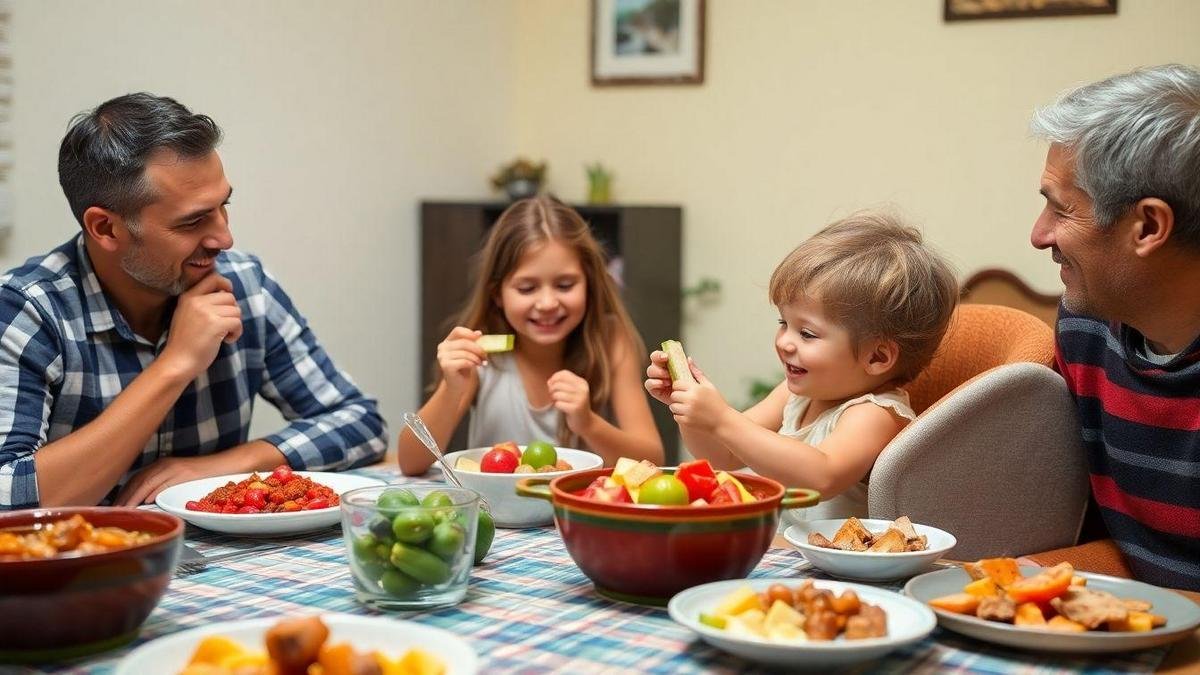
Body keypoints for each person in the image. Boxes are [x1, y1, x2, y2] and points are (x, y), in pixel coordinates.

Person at [0, 93, 387, 510]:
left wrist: (226, 466)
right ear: (106, 228)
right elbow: (7, 494)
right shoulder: (29, 311)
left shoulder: (245, 285)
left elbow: (361, 423)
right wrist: (174, 365)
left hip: (218, 567)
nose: (224, 238)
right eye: (192, 221)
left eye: (224, 206)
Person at [645, 212, 958, 521]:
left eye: (807, 333)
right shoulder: (795, 395)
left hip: (837, 570)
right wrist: (690, 409)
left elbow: (822, 476)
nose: (784, 342)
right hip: (787, 556)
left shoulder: (875, 414)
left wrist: (721, 419)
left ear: (877, 357)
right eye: (784, 322)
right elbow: (722, 455)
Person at [1028, 64, 1200, 591]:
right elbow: (1118, 545)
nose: (1039, 236)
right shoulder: (1085, 329)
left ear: (1148, 226)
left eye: (1062, 210)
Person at [397, 196, 663, 473]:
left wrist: (588, 423)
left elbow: (653, 460)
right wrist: (451, 388)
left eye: (564, 284)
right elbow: (410, 463)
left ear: (590, 284)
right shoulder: (480, 348)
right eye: (526, 288)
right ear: (497, 294)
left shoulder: (610, 339)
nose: (547, 303)